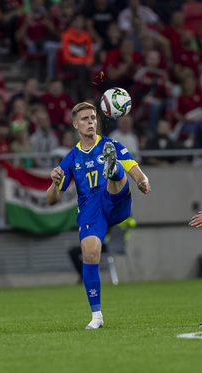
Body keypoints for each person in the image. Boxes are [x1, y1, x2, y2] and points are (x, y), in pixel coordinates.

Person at [47, 102, 151, 329]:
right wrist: (55, 184)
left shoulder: (111, 144)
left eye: (93, 118)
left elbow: (138, 171)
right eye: (84, 119)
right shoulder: (72, 157)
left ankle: (112, 170)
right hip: (90, 208)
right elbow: (52, 199)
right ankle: (97, 316)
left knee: (115, 178)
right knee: (91, 255)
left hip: (113, 199)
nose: (90, 122)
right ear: (75, 124)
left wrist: (142, 181)